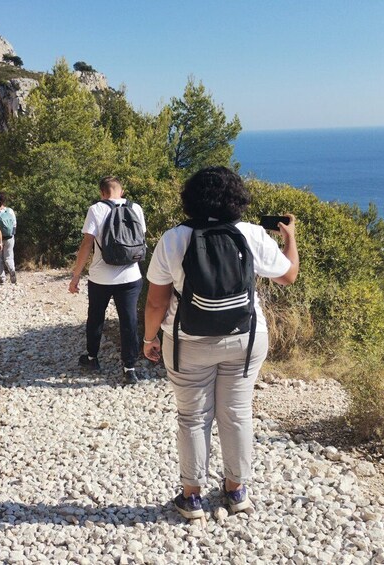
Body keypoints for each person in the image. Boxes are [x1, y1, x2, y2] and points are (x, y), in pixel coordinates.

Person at [142, 166, 299, 519]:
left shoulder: (173, 238)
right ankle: (236, 491)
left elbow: (155, 302)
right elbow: (289, 275)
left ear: (191, 197)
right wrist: (290, 237)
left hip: (187, 341)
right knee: (237, 413)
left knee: (193, 417)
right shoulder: (252, 234)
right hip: (245, 338)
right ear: (237, 199)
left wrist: (150, 338)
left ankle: (192, 497)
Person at [68, 176, 146, 385]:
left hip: (101, 277)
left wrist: (76, 275)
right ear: (121, 191)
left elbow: (87, 244)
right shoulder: (136, 208)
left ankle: (92, 358)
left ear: (102, 193)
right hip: (131, 276)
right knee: (129, 321)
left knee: (95, 317)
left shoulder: (96, 209)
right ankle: (129, 369)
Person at [0, 191, 17, 285]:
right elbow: (14, 224)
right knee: (9, 256)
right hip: (10, 237)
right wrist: (11, 234)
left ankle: (2, 279)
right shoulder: (9, 210)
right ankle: (12, 270)